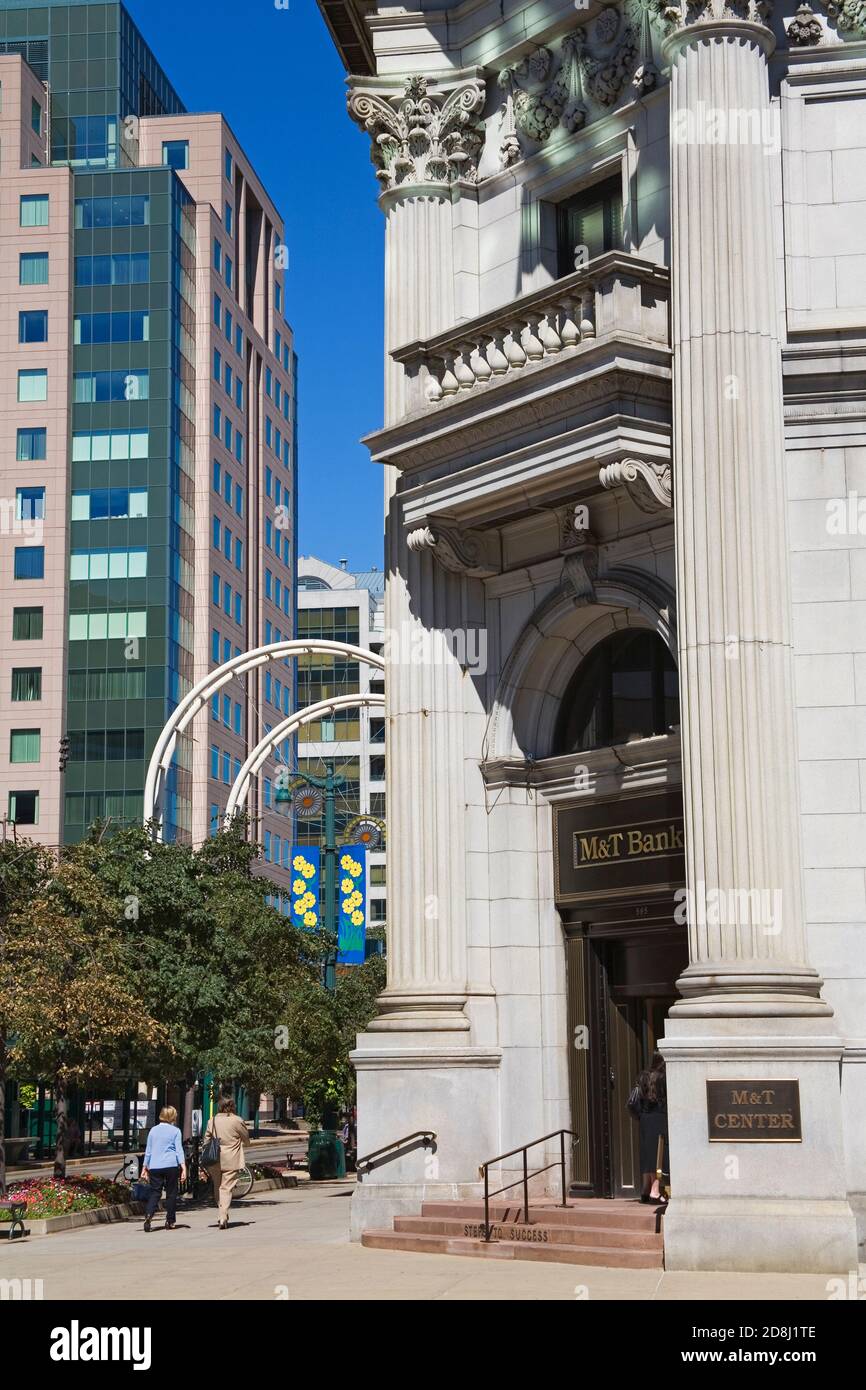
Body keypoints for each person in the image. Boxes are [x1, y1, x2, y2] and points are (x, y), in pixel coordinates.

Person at [202, 1094, 251, 1230]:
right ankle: (223, 1215)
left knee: (218, 1186)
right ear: (232, 1106)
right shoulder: (237, 1120)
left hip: (215, 1158)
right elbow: (245, 1137)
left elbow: (206, 1139)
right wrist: (244, 1142)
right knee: (226, 1187)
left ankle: (222, 1213)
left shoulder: (212, 1121)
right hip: (231, 1158)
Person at [627, 1052, 669, 1204]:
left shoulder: (643, 1076)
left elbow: (634, 1102)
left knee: (647, 1155)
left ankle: (645, 1189)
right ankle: (655, 1191)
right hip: (659, 1118)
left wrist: (641, 1115)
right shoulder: (663, 1078)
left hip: (645, 1119)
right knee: (658, 1156)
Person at [141, 1105, 186, 1232]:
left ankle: (149, 1215)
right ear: (172, 1117)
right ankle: (170, 1221)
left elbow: (148, 1151)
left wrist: (145, 1167)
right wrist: (183, 1166)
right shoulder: (176, 1131)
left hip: (155, 1166)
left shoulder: (153, 1131)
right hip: (171, 1165)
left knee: (155, 1192)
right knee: (171, 1194)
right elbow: (179, 1150)